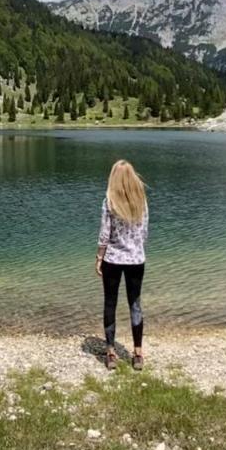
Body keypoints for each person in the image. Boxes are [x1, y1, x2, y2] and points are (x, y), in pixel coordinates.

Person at [95, 159, 149, 371]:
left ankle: (110, 352)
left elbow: (104, 235)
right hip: (136, 259)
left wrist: (99, 257)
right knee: (135, 304)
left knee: (110, 303)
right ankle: (137, 353)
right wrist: (136, 249)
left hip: (113, 259)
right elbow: (144, 233)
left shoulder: (109, 201)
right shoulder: (141, 201)